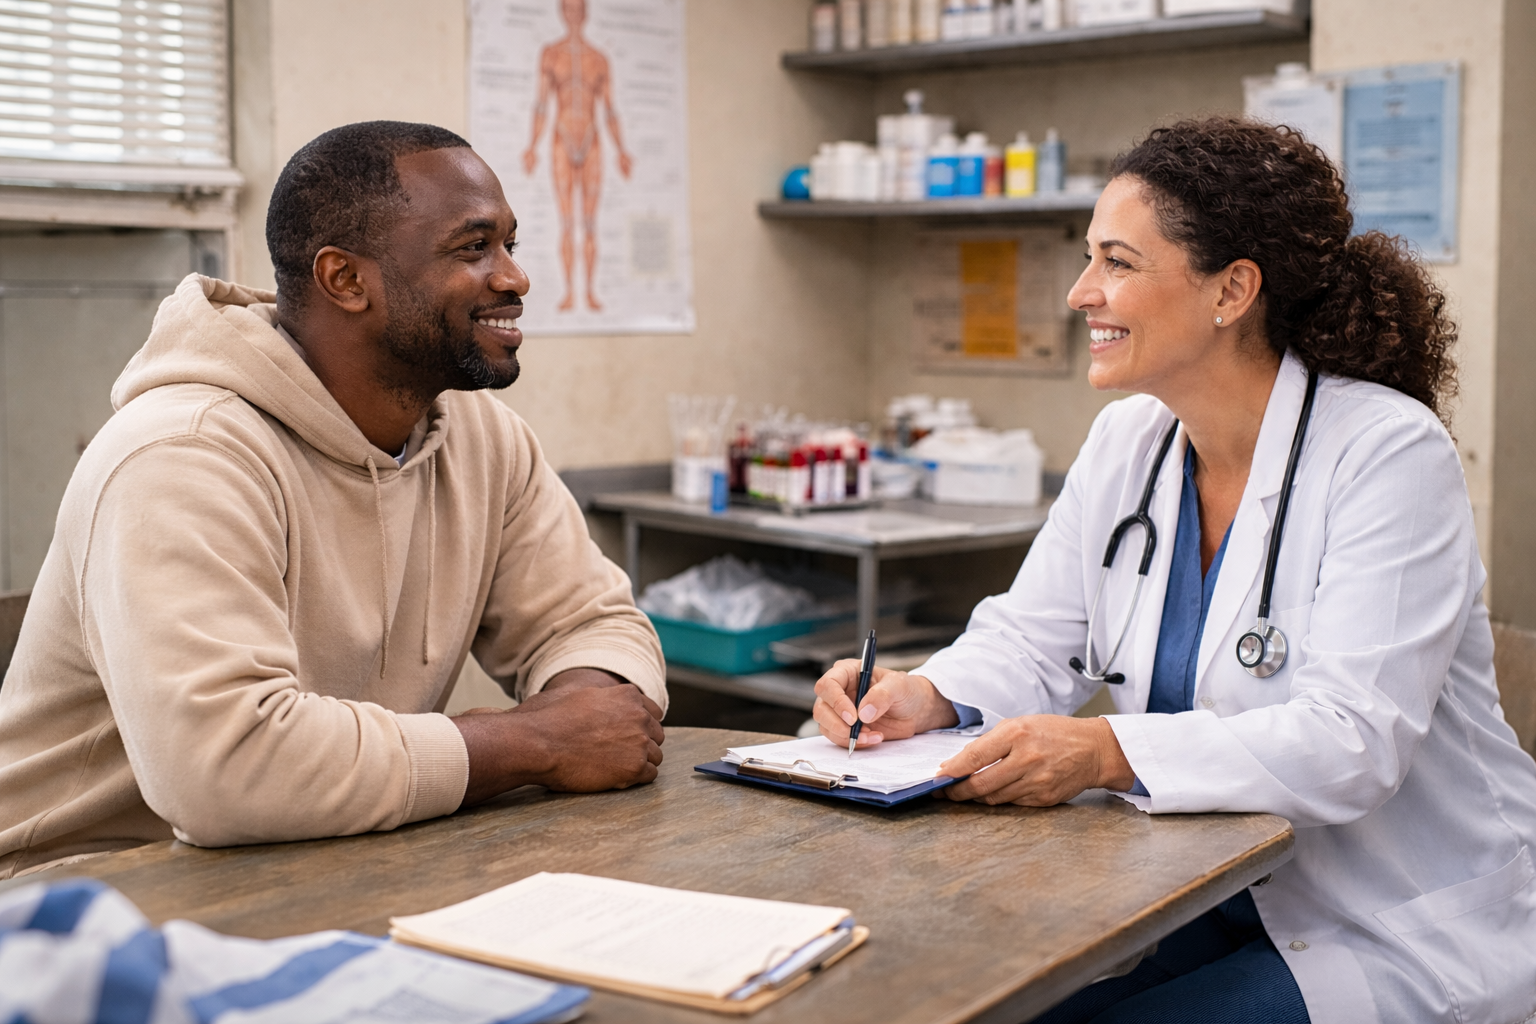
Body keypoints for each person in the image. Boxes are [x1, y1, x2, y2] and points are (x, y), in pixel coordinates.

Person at [815, 118, 1536, 1024]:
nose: (1081, 293)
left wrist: (1107, 750)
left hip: (1396, 919)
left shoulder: (1388, 454)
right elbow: (1032, 634)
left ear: (1232, 290)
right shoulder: (1131, 441)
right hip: (1204, 893)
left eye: (1117, 262)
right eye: (1088, 259)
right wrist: (925, 696)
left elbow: (1355, 741)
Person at [0, 121, 668, 878]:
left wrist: (585, 710)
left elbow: (590, 620)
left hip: (328, 860)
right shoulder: (180, 453)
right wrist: (534, 742)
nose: (513, 278)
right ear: (345, 280)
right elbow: (225, 770)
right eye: (474, 248)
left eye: (511, 244)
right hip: (81, 901)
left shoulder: (481, 435)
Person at [523, 0, 633, 313]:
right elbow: (541, 104)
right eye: (568, 8)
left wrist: (622, 150)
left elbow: (610, 108)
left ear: (585, 13)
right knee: (567, 222)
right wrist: (531, 145)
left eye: (578, 8)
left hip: (592, 141)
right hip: (561, 139)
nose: (573, 14)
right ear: (562, 12)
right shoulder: (551, 53)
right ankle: (570, 292)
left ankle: (590, 291)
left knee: (590, 222)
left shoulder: (599, 58)